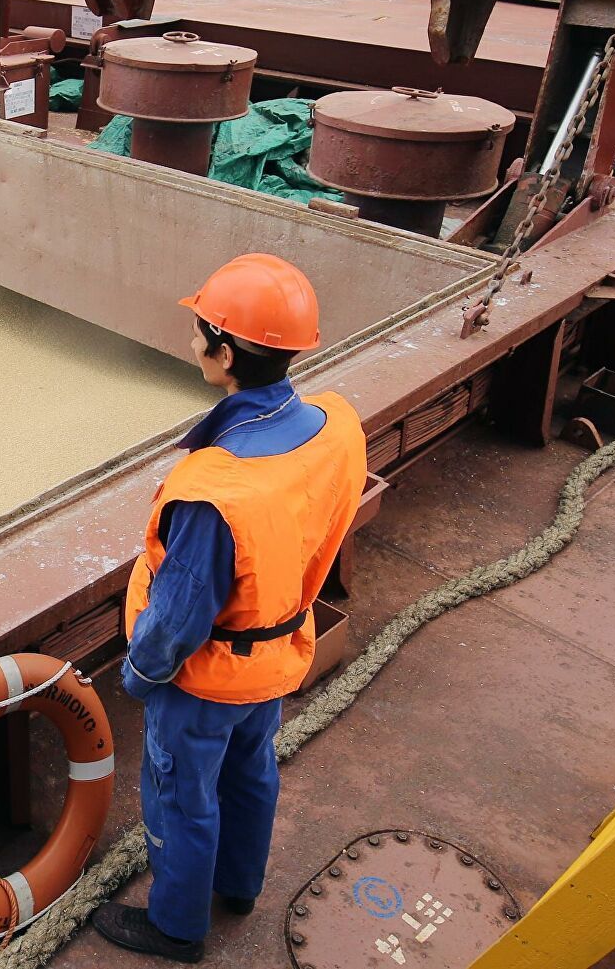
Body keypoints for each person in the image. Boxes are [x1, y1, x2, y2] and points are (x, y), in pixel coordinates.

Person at [92, 254, 367, 963]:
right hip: (275, 658)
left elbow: (179, 620)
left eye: (197, 333)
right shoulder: (332, 428)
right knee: (251, 771)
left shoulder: (216, 493)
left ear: (225, 350)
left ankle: (177, 925)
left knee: (182, 797)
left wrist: (139, 677)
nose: (190, 346)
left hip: (204, 680)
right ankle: (240, 885)